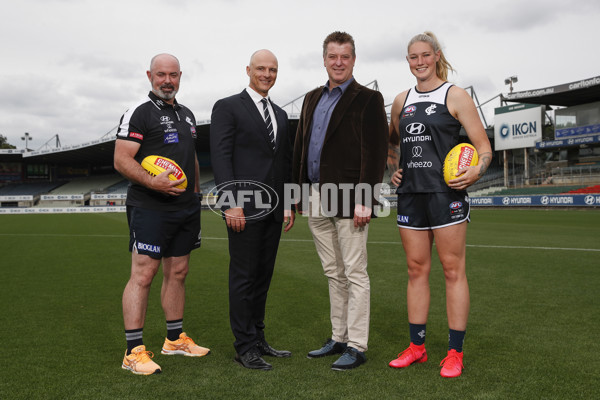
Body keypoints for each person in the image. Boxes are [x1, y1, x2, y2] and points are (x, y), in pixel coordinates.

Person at [387, 32, 492, 378]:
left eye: (425, 56)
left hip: (446, 195)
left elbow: (484, 148)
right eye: (413, 57)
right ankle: (417, 348)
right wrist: (394, 169)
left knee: (452, 271)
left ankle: (454, 353)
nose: (419, 62)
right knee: (416, 271)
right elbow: (392, 144)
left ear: (436, 56)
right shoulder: (401, 101)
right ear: (408, 61)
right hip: (411, 197)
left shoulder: (455, 95)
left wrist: (476, 171)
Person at [292, 31, 388, 371]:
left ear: (353, 59)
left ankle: (357, 345)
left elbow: (375, 153)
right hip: (316, 196)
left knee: (355, 272)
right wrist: (296, 197)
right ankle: (338, 336)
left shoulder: (369, 99)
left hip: (350, 199)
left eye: (344, 56)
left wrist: (366, 198)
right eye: (333, 56)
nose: (338, 62)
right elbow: (301, 149)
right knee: (333, 272)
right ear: (324, 59)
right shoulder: (311, 98)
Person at [114, 53, 209, 375]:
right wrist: (152, 181)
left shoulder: (187, 114)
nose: (167, 80)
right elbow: (122, 159)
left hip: (185, 207)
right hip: (150, 206)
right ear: (149, 76)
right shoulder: (139, 113)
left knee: (178, 272)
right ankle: (133, 351)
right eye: (160, 75)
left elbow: (190, 157)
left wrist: (195, 192)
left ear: (180, 76)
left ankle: (174, 339)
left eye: (173, 75)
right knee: (143, 274)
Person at [210, 49, 294, 371]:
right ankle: (243, 346)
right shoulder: (228, 107)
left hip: (272, 209)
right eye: (261, 68)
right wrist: (230, 202)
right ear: (248, 70)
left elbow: (283, 163)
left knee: (263, 277)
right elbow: (221, 157)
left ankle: (258, 338)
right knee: (244, 277)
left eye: (273, 69)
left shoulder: (281, 115)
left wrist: (287, 202)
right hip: (242, 208)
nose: (267, 74)